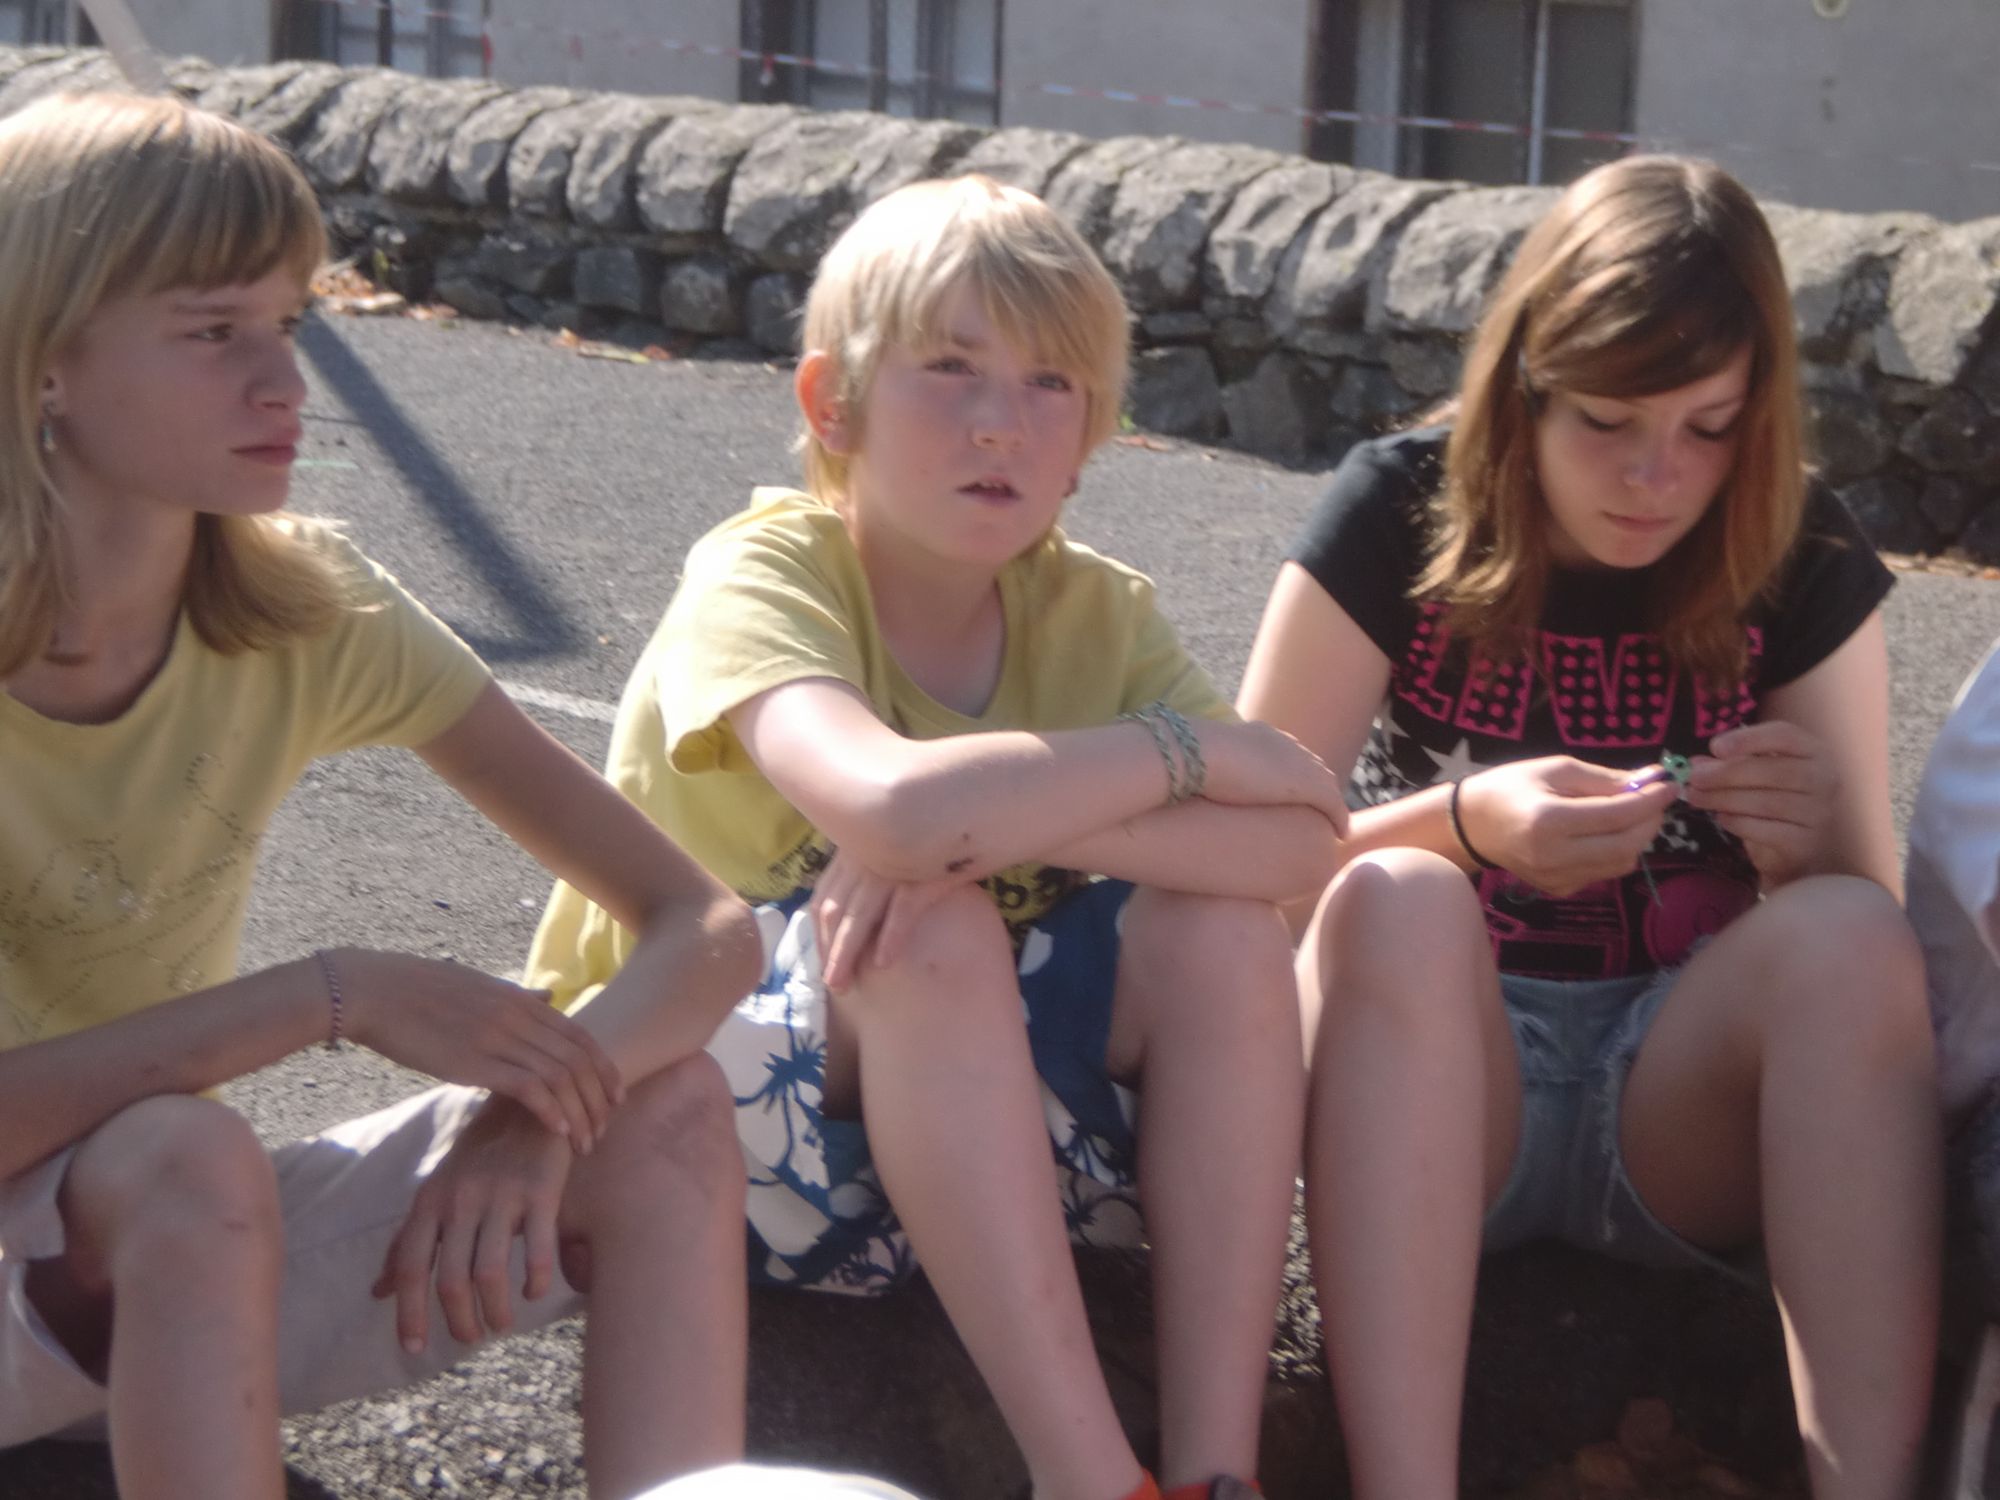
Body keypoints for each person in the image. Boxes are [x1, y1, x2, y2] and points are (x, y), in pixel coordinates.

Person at [524, 173, 1349, 1500]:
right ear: (831, 406)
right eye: (950, 367)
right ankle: (1093, 1482)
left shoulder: (1094, 612)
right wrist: (1173, 756)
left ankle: (1215, 1472)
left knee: (1220, 939)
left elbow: (1301, 848)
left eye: (1049, 384)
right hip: (684, 1124)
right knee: (930, 926)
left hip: (976, 1142)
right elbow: (896, 811)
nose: (998, 422)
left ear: (1090, 439)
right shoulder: (763, 573)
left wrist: (1020, 826)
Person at [0, 92, 762, 1500]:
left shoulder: (307, 607)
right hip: (129, 1227)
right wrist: (329, 996)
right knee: (184, 1155)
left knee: (665, 1111)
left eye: (290, 322)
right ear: (45, 363)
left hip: (143, 1269)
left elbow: (703, 923)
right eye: (213, 331)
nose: (286, 383)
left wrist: (535, 1119)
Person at [1236, 155, 1940, 1500]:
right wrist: (1460, 825)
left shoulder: (1798, 544)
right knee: (1400, 899)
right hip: (1441, 1087)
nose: (1655, 475)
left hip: (1675, 1104)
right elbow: (1241, 870)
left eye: (1709, 427)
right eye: (1609, 419)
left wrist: (1803, 851)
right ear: (1526, 385)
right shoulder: (1395, 509)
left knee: (1854, 935)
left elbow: (1864, 939)